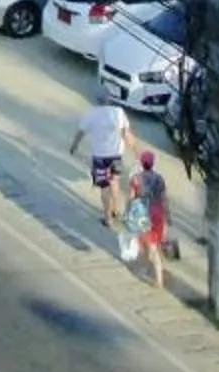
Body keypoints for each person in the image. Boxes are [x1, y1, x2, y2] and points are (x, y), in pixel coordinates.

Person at [69, 94, 133, 234]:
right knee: (114, 183)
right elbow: (126, 133)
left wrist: (74, 145)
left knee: (104, 186)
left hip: (100, 157)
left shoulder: (91, 114)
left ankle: (107, 218)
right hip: (116, 155)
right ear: (109, 99)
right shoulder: (118, 112)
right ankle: (116, 210)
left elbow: (81, 132)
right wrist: (134, 149)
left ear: (96, 100)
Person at [125, 148, 171, 284]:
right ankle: (149, 267)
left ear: (141, 163)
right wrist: (168, 216)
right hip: (157, 212)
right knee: (152, 243)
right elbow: (164, 199)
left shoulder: (136, 179)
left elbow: (131, 198)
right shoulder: (160, 179)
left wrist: (128, 214)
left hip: (142, 214)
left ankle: (159, 279)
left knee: (150, 246)